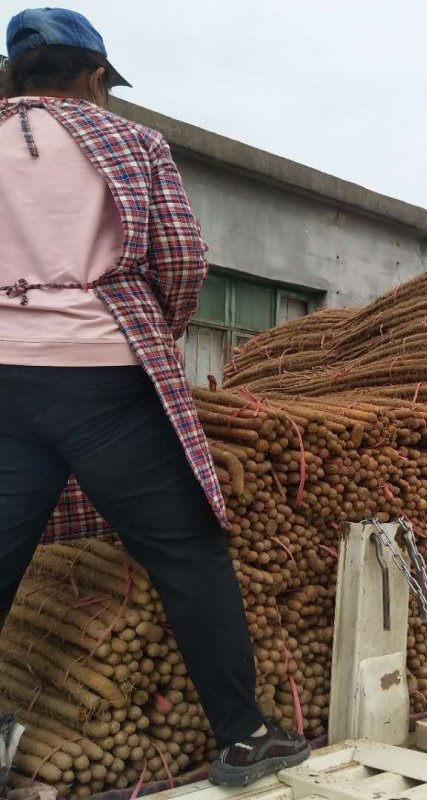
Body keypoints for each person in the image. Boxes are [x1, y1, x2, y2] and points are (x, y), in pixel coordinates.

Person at [0, 7, 309, 787]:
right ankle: (243, 738)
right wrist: (151, 335)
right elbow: (181, 257)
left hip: (5, 378)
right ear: (95, 76)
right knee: (185, 549)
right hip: (103, 375)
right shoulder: (132, 143)